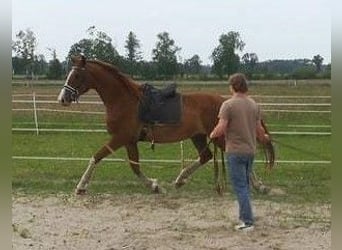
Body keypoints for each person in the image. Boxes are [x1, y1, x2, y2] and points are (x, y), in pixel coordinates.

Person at [210, 73, 269, 232]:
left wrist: (212, 134)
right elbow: (259, 130)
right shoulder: (253, 105)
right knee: (245, 186)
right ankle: (246, 216)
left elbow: (221, 127)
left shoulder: (228, 105)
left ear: (233, 86)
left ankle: (247, 221)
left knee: (240, 187)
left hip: (235, 152)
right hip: (250, 151)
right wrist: (264, 138)